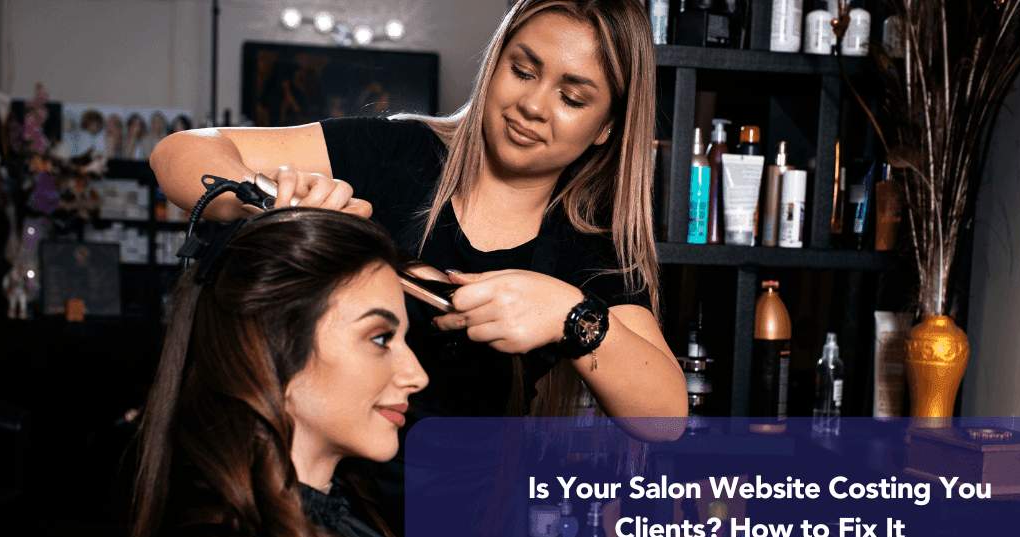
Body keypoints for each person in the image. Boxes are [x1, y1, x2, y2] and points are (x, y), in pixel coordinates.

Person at [151, 0, 687, 439]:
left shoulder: (587, 248)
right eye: (521, 70)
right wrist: (274, 203)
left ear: (605, 128)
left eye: (571, 97)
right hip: (324, 493)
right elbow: (180, 154)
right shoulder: (398, 155)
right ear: (495, 62)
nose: (533, 104)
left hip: (466, 520)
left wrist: (569, 314)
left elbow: (664, 419)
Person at [108, 208, 488, 537]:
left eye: (404, 339)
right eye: (380, 338)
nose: (416, 376)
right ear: (276, 348)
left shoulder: (349, 520)